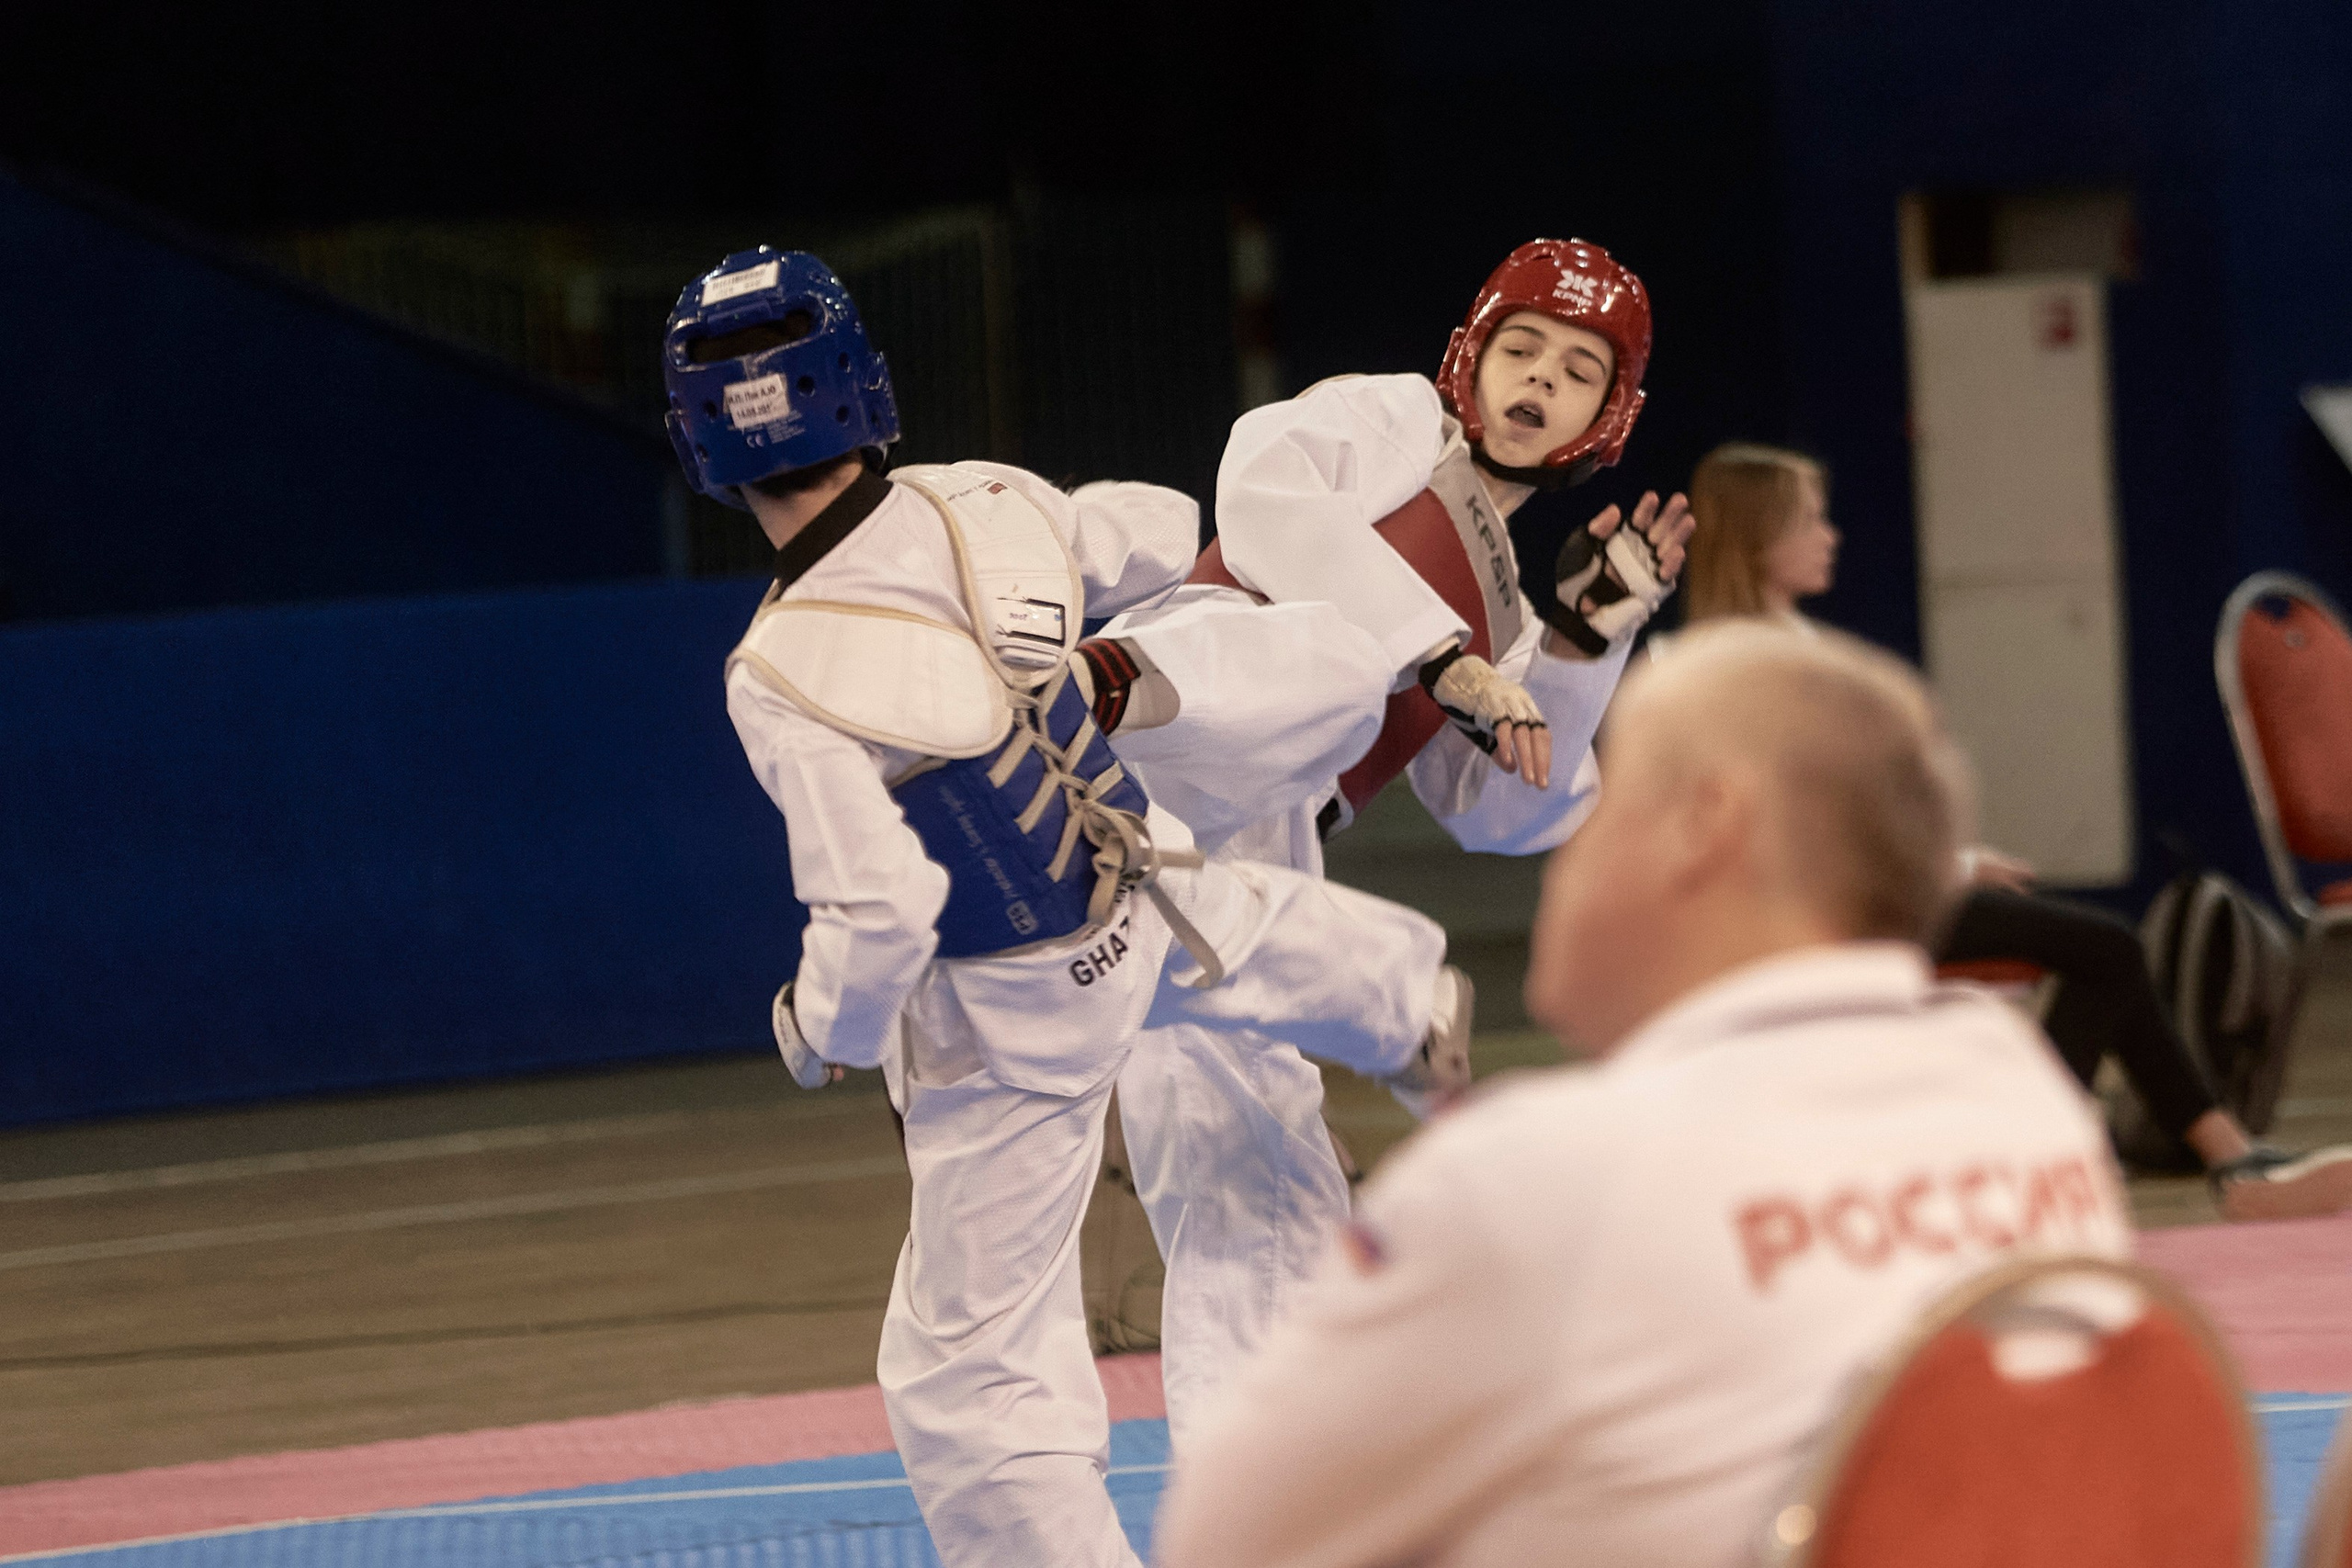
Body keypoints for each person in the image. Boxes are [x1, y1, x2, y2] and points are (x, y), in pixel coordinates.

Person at [663, 248, 1466, 1568]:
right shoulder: (987, 496)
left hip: (1010, 1016)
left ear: (705, 445)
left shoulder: (782, 669)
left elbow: (879, 911)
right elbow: (1141, 526)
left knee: (966, 1369)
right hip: (1135, 895)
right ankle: (1400, 993)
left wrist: (821, 1030)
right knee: (1218, 933)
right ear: (862, 387)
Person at [1155, 622, 2136, 1568]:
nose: (1563, 847)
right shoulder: (2027, 1100)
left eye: (1608, 800)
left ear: (1705, 827)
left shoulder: (1537, 1176)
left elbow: (1229, 1543)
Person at [1098, 239, 1695, 1445]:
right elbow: (1261, 484)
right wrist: (1437, 655)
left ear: (1606, 416)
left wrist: (1581, 648)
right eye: (1520, 348)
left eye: (1577, 370)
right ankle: (1068, 690)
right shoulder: (1391, 423)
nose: (1538, 380)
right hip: (1162, 724)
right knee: (1325, 673)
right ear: (1468, 357)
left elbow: (1506, 811)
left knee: (1262, 1208)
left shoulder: (1510, 607)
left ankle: (1248, 1509)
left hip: (1234, 874)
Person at [1679, 440, 2352, 1221]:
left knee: (2104, 949)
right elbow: (1800, 822)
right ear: (1760, 538)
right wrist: (1948, 867)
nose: (1829, 535)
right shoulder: (1735, 666)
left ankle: (2215, 1159)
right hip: (1826, 911)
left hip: (1874, 890)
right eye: (1810, 521)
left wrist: (1954, 857)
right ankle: (2089, 1150)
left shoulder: (1792, 649)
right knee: (2107, 949)